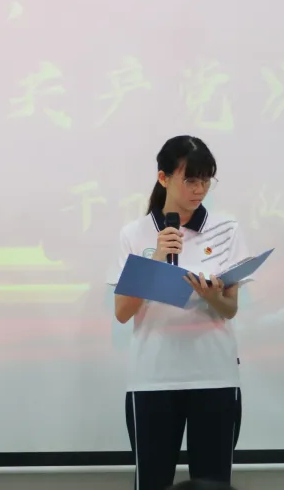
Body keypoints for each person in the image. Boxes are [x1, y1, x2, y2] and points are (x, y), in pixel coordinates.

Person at [108, 135, 247, 490]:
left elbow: (230, 308)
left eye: (206, 180)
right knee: (152, 481)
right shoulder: (134, 234)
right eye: (190, 180)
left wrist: (211, 295)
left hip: (214, 377)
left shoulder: (227, 229)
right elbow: (122, 311)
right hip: (154, 379)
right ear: (164, 178)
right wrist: (155, 260)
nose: (199, 189)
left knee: (213, 482)